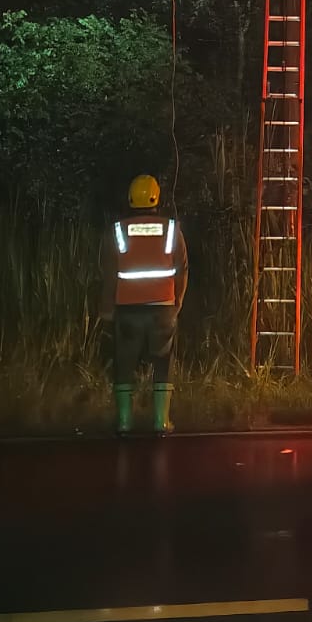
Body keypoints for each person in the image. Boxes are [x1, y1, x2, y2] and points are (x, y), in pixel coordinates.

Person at [100, 174, 189, 436]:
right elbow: (182, 269)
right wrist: (178, 302)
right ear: (156, 198)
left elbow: (108, 273)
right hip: (163, 308)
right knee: (163, 363)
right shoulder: (171, 229)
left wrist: (106, 310)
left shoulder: (117, 230)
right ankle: (161, 422)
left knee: (124, 364)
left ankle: (124, 422)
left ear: (130, 199)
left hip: (127, 310)